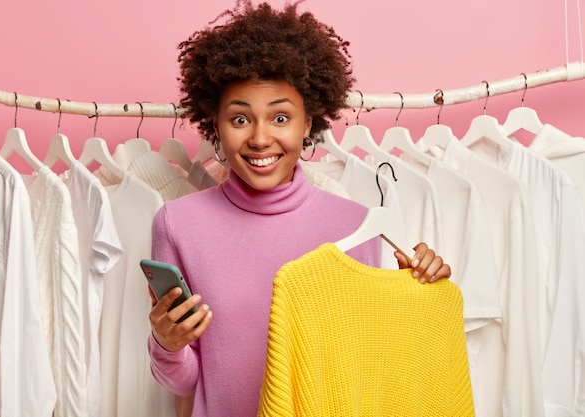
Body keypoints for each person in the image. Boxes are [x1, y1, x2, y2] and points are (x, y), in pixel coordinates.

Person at [147, 2, 452, 416]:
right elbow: (184, 381)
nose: (259, 138)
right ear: (215, 124)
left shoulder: (357, 226)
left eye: (280, 118)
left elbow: (362, 371)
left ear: (308, 123)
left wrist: (409, 295)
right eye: (240, 120)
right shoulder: (177, 224)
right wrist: (167, 343)